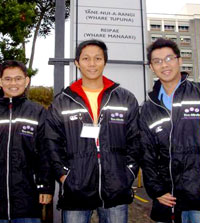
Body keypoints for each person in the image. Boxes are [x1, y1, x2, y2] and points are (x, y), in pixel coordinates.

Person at [45, 39, 140, 223]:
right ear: (77, 62)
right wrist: (65, 175)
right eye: (86, 58)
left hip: (115, 189)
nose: (92, 63)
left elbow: (135, 139)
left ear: (105, 61)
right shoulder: (62, 101)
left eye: (98, 58)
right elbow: (51, 142)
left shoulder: (124, 98)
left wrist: (128, 173)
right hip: (76, 189)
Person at [139, 38, 200, 223]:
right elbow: (146, 154)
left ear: (179, 61)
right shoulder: (149, 108)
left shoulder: (197, 94)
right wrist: (156, 190)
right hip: (168, 199)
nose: (164, 65)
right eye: (157, 61)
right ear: (151, 67)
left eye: (169, 58)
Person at [0, 60, 54, 223]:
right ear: (0, 81)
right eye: (8, 79)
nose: (13, 83)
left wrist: (46, 186)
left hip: (27, 201)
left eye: (18, 78)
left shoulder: (37, 112)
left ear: (26, 80)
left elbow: (46, 152)